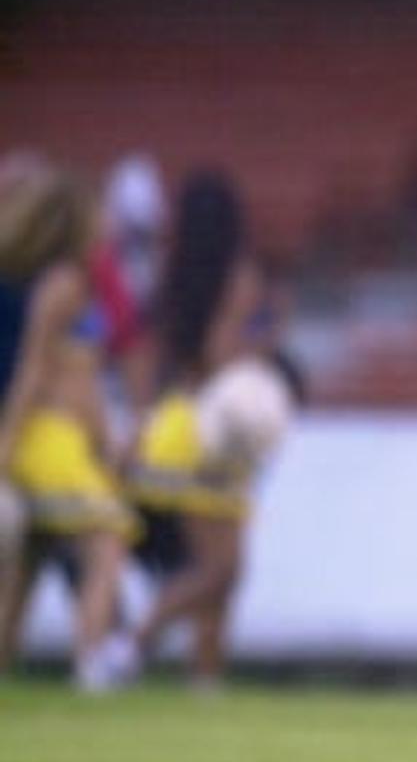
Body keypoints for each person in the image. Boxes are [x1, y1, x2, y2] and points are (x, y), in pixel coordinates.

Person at [118, 171, 301, 689]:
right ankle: (130, 643)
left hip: (177, 423)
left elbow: (160, 361)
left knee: (218, 569)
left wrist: (141, 426)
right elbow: (225, 356)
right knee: (224, 570)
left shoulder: (174, 276)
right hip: (216, 429)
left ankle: (204, 677)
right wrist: (272, 330)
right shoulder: (237, 273)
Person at [0, 153, 136, 689]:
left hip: (72, 439)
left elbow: (87, 371)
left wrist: (104, 437)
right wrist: (9, 442)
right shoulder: (61, 286)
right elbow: (35, 367)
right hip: (46, 436)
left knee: (30, 556)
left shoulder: (80, 285)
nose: (110, 226)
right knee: (107, 536)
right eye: (101, 217)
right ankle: (90, 665)